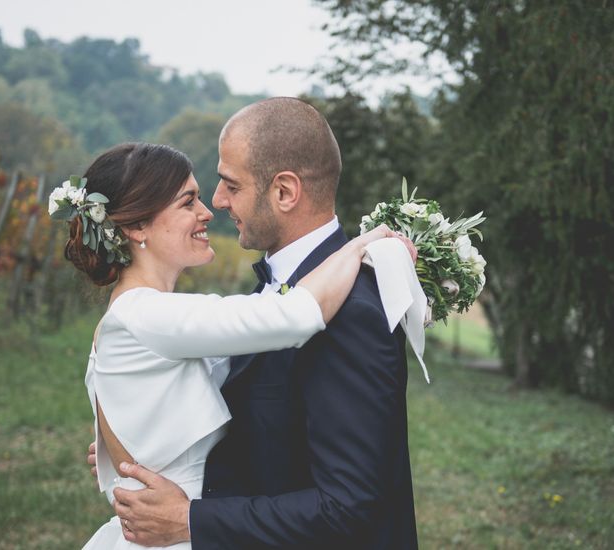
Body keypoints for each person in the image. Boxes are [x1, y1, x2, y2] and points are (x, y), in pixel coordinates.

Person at [99, 98, 421, 548]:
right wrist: (146, 447)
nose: (216, 201)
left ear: (285, 192)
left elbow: (348, 506)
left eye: (231, 185)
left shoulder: (351, 312)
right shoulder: (269, 297)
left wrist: (193, 520)